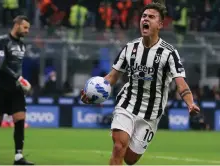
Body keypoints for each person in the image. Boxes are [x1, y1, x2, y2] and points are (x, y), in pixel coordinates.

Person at [80, 1, 200, 165]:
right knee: (118, 147)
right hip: (127, 104)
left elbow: (180, 82)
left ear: (160, 24)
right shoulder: (130, 48)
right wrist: (92, 93)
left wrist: (190, 103)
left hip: (151, 114)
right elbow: (112, 77)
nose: (146, 19)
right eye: (144, 16)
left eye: (151, 17)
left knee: (130, 159)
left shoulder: (169, 53)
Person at [0, 15, 34, 165]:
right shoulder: (2, 41)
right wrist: (19, 79)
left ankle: (18, 156)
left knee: (20, 119)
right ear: (17, 25)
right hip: (0, 88)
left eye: (28, 28)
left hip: (16, 90)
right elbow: (1, 64)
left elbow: (17, 67)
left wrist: (22, 83)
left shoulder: (22, 45)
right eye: (25, 27)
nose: (27, 31)